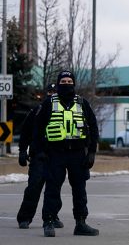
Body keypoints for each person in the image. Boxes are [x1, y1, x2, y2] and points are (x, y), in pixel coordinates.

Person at [33, 71, 100, 237]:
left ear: (74, 83)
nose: (67, 83)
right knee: (52, 189)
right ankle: (48, 222)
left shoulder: (82, 103)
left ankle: (81, 223)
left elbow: (93, 126)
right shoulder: (49, 103)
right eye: (63, 81)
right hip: (55, 153)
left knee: (79, 189)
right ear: (58, 83)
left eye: (70, 81)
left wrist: (91, 152)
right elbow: (38, 129)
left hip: (78, 154)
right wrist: (40, 151)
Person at [16, 84, 64, 229]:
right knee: (33, 187)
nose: (52, 94)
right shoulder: (37, 111)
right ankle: (24, 218)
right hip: (39, 156)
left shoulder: (63, 112)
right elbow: (25, 132)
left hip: (57, 157)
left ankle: (52, 216)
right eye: (49, 92)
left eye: (54, 92)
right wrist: (22, 151)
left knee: (54, 189)